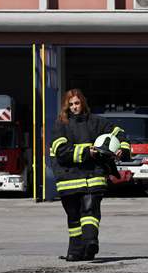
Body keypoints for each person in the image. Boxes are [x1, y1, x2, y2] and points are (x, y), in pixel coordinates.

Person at [49, 89, 130, 261]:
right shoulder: (60, 125)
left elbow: (118, 133)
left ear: (83, 103)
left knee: (90, 211)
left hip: (93, 176)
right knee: (74, 218)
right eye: (71, 104)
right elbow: (61, 152)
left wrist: (122, 147)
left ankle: (90, 242)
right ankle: (76, 251)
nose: (74, 107)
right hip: (68, 179)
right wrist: (88, 152)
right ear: (66, 106)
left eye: (77, 103)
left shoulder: (96, 122)